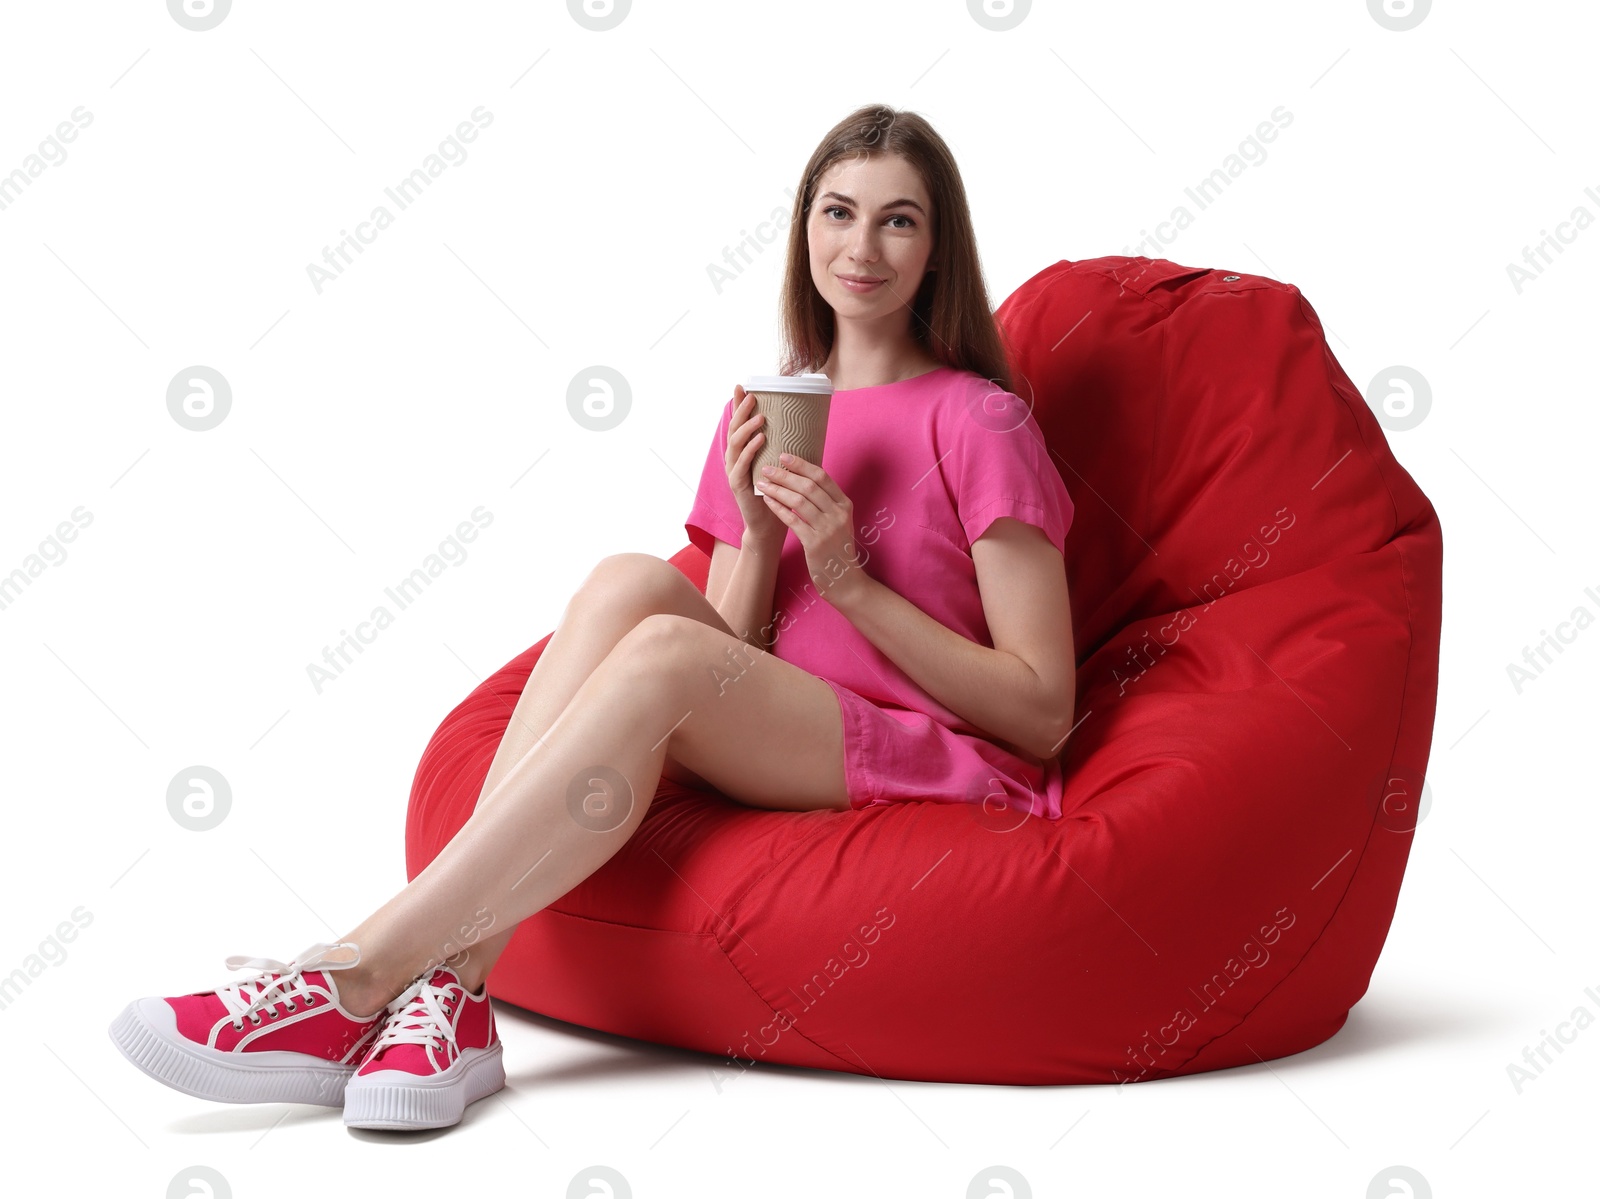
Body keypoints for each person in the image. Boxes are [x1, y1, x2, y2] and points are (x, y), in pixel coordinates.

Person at [107, 102, 1078, 1133]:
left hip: (931, 753)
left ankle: (350, 978)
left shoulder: (982, 417)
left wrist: (848, 582)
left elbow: (1041, 710)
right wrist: (751, 531)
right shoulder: (771, 399)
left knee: (660, 647)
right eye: (838, 211)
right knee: (627, 583)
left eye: (898, 221)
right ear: (803, 228)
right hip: (792, 725)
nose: (861, 246)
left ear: (937, 249)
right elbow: (735, 649)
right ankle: (459, 992)